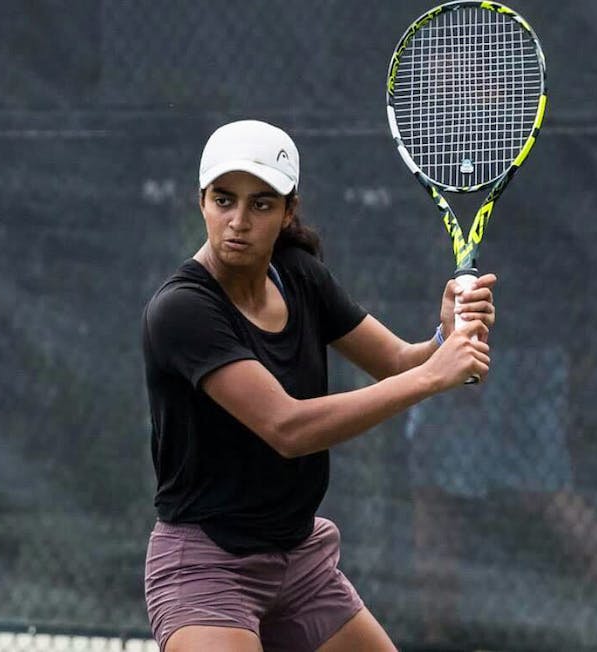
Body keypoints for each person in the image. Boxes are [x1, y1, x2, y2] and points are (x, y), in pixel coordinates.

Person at [141, 119, 497, 652]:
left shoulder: (299, 274)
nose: (238, 221)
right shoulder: (182, 310)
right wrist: (432, 374)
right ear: (202, 202)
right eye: (224, 200)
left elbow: (400, 360)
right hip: (208, 568)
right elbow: (287, 427)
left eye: (261, 204)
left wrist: (444, 334)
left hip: (301, 560)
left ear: (288, 212)